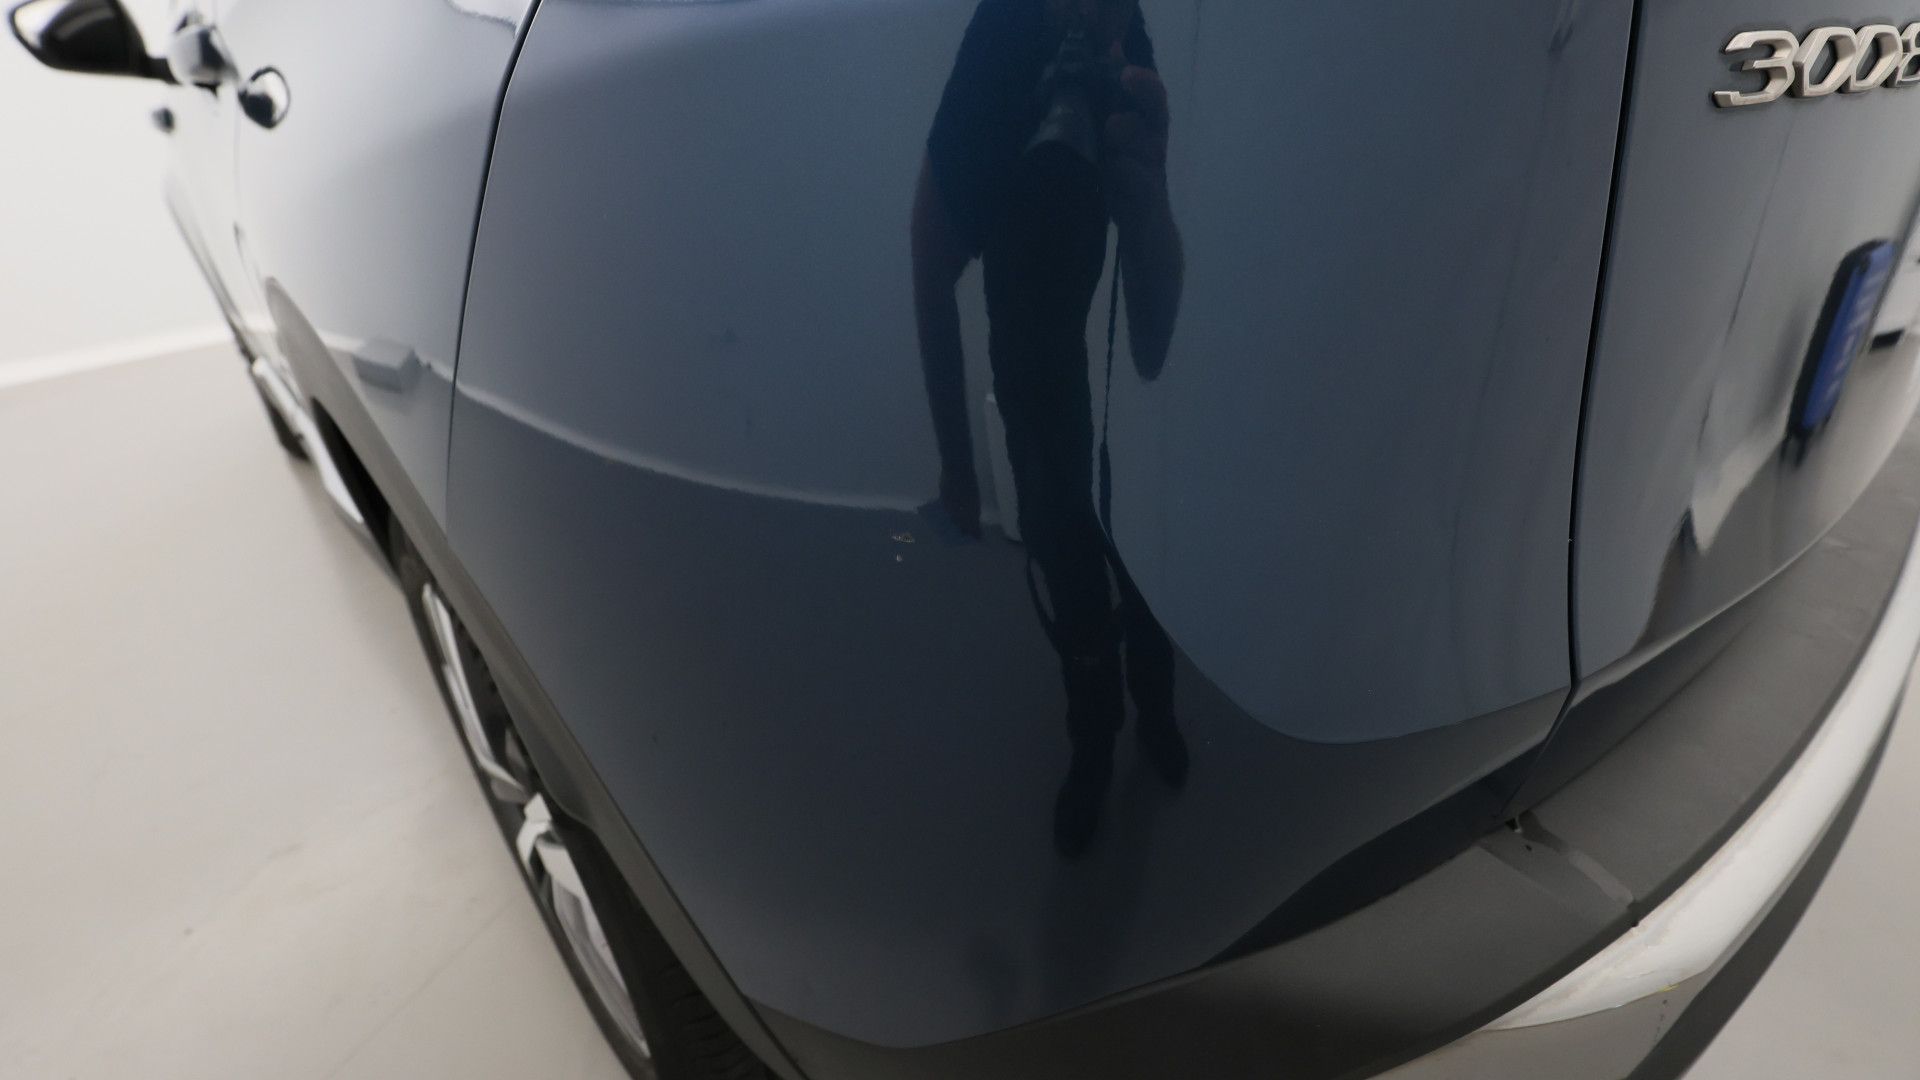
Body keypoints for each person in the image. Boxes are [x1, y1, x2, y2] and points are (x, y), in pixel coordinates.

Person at [910, 0, 1187, 858]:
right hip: (1037, 360)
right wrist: (960, 470)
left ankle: (1150, 704)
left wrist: (1148, 197)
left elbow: (1152, 343)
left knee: (1136, 550)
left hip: (1086, 365)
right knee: (1069, 557)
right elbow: (929, 259)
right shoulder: (1003, 43)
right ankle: (1097, 738)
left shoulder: (1125, 43)